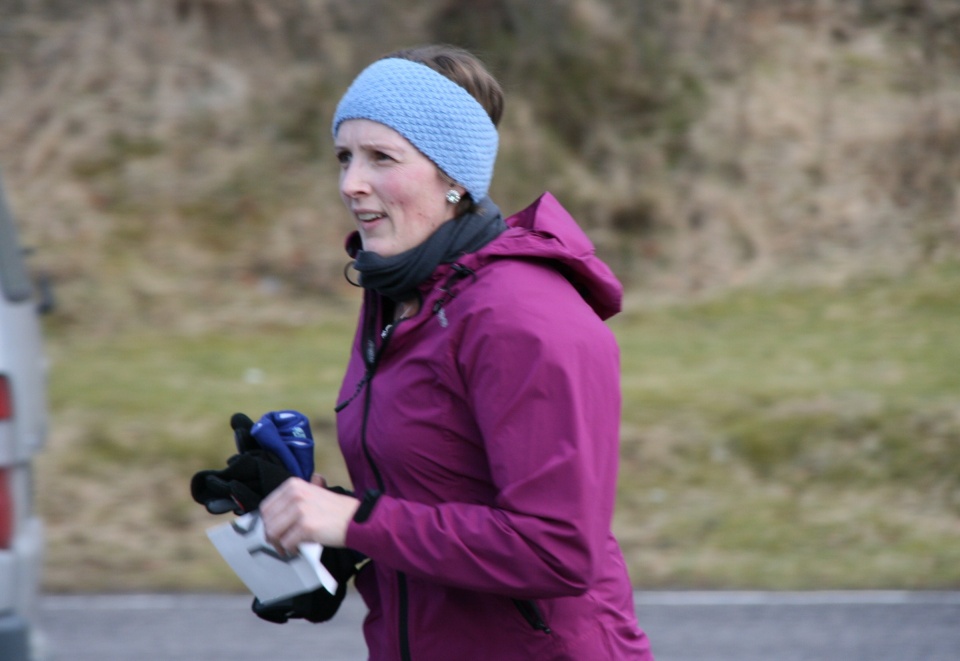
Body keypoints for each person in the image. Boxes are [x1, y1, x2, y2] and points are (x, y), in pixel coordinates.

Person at [257, 44, 654, 660]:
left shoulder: (523, 318)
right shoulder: (401, 294)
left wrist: (356, 520)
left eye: (381, 157)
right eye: (344, 156)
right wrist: (315, 529)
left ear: (454, 178)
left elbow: (556, 548)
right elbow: (428, 501)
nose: (350, 183)